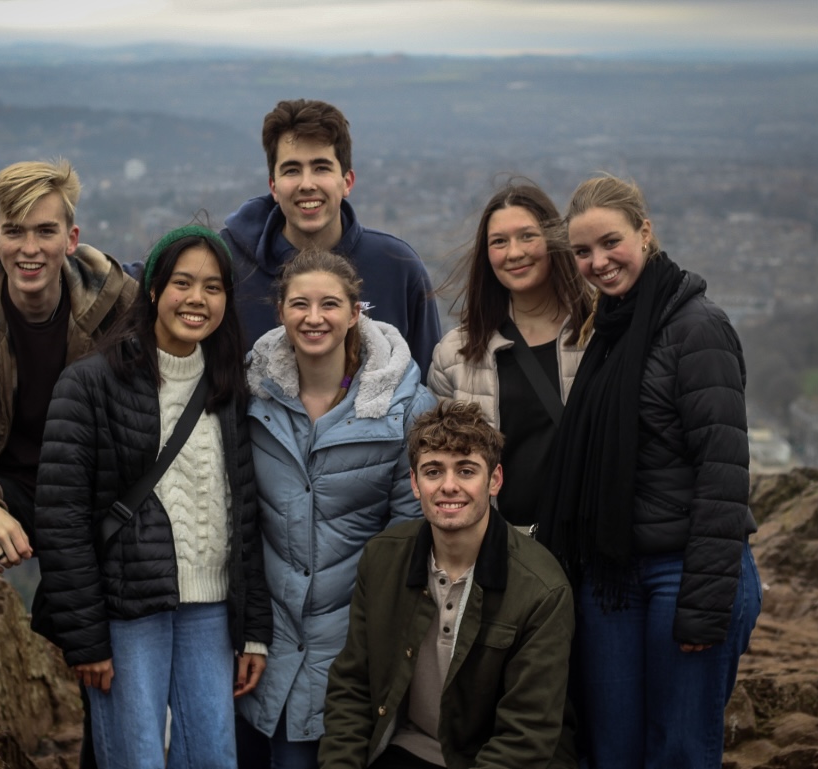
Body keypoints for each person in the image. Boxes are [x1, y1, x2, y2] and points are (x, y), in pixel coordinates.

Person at [538, 175, 761, 768]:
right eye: (582, 252)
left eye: (610, 243)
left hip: (683, 572)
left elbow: (723, 473)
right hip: (614, 575)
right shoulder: (609, 329)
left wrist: (706, 602)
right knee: (611, 751)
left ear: (645, 232)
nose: (598, 262)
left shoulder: (696, 328)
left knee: (681, 751)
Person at [33, 224, 272, 769]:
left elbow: (244, 514)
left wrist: (253, 630)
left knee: (213, 757)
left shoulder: (228, 386)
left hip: (209, 612)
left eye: (213, 287)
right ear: (154, 291)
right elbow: (62, 519)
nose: (197, 299)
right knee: (136, 758)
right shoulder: (90, 384)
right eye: (183, 283)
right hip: (125, 612)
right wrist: (88, 640)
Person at [0, 159, 136, 734]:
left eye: (45, 231)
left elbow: (183, 318)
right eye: (14, 232)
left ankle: (104, 736)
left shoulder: (115, 307)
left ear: (72, 238)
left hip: (90, 491)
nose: (29, 248)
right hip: (10, 486)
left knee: (96, 640)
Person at [237, 248, 436, 768]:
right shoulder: (249, 397)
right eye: (299, 304)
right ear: (280, 312)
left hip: (356, 645)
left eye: (330, 304)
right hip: (270, 644)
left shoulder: (405, 409)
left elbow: (408, 537)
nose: (314, 317)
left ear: (355, 312)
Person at [319, 400, 577, 769]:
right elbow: (352, 688)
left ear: (495, 480)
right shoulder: (382, 560)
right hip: (410, 747)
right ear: (414, 483)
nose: (449, 486)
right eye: (433, 471)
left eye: (466, 470)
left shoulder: (542, 587)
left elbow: (527, 734)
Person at [222, 98, 442, 376]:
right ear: (273, 187)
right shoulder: (228, 263)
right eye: (292, 170)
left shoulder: (397, 265)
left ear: (347, 182)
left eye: (321, 167)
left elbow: (428, 385)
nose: (307, 184)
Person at [428, 181, 592, 530]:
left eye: (527, 236)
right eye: (499, 242)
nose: (514, 252)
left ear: (553, 241)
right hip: (505, 549)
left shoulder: (599, 335)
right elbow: (440, 464)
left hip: (589, 542)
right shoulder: (455, 355)